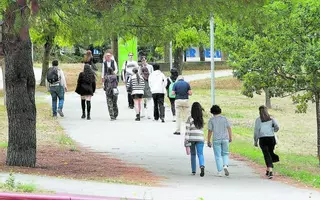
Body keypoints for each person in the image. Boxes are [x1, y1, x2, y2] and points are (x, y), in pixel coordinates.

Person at [254, 105, 280, 179]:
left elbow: (256, 132)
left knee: (266, 154)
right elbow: (277, 126)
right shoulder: (272, 118)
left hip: (263, 139)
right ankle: (269, 169)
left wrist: (255, 141)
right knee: (270, 153)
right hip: (271, 138)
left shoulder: (258, 120)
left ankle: (270, 170)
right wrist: (274, 130)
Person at [207, 105, 232, 177]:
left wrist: (208, 140)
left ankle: (219, 171)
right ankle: (225, 165)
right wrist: (230, 137)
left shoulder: (211, 120)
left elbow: (210, 131)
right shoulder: (225, 119)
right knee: (225, 154)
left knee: (218, 156)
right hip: (225, 139)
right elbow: (229, 128)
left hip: (216, 139)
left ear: (212, 112)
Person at [185, 102, 205, 177]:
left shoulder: (190, 118)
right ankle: (202, 165)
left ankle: (193, 170)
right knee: (200, 154)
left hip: (191, 139)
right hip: (200, 138)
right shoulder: (201, 119)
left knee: (193, 154)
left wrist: (186, 139)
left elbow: (187, 130)